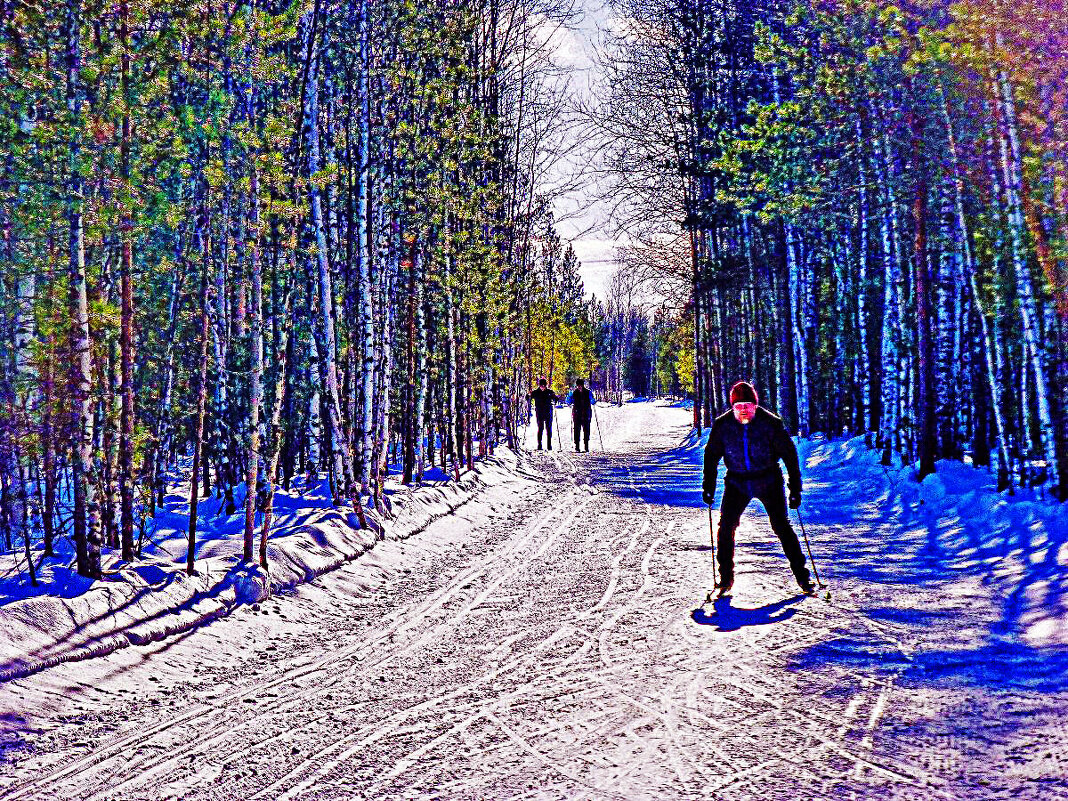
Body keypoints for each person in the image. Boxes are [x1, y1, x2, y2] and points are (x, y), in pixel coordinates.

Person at [702, 380, 814, 596]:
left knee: (781, 526)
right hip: (737, 482)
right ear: (732, 407)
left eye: (747, 405)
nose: (743, 410)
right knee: (726, 527)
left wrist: (795, 488)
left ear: (755, 405)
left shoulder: (770, 423)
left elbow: (789, 455)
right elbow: (711, 455)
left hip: (768, 479)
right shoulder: (722, 425)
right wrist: (708, 485)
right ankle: (725, 579)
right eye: (738, 406)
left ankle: (803, 577)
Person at [527, 378, 558, 450]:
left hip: (548, 412)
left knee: (548, 429)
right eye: (541, 385)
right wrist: (528, 397)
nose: (543, 387)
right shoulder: (536, 392)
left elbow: (555, 398)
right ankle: (539, 445)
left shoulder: (549, 392)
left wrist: (555, 399)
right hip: (539, 412)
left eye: (544, 385)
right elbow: (529, 397)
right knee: (540, 428)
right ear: (539, 385)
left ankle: (549, 445)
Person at [569, 379, 595, 452]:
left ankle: (586, 446)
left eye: (581, 385)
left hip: (586, 413)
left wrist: (592, 400)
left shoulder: (588, 392)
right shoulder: (574, 393)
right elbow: (568, 401)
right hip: (577, 414)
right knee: (577, 430)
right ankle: (577, 446)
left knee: (586, 430)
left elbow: (593, 401)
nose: (579, 387)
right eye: (578, 385)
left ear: (583, 385)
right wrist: (569, 398)